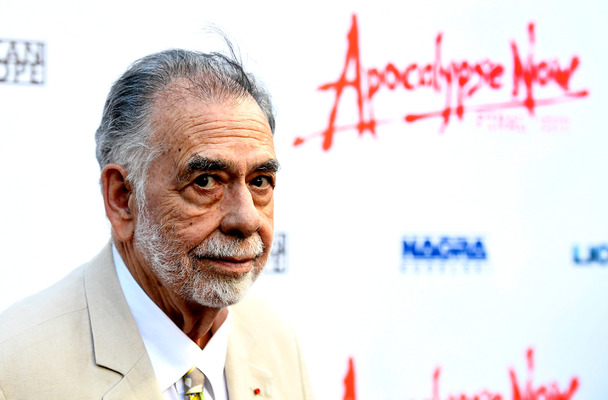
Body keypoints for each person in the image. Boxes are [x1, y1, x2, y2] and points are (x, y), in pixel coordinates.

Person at [0, 46, 314, 400]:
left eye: (259, 181)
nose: (246, 218)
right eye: (205, 181)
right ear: (122, 198)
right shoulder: (14, 370)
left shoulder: (277, 342)